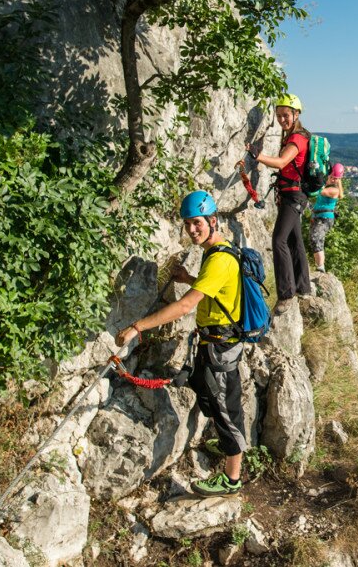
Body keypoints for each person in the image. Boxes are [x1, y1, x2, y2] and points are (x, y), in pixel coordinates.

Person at [115, 191, 247, 497]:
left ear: (213, 221)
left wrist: (138, 326)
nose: (192, 230)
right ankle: (230, 445)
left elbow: (186, 307)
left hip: (221, 347)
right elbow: (214, 289)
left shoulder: (218, 260)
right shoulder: (218, 252)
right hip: (213, 342)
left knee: (227, 409)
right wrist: (188, 277)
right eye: (188, 224)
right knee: (207, 394)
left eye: (197, 223)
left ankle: (231, 478)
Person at [247, 93, 311, 315]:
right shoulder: (294, 136)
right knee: (294, 240)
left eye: (286, 115)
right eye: (279, 116)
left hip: (294, 196)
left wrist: (258, 156)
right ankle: (303, 287)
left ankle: (286, 294)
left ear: (296, 114)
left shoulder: (296, 139)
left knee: (279, 240)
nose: (282, 119)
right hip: (291, 194)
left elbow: (282, 162)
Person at [310, 163, 344, 273]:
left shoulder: (334, 190)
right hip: (318, 216)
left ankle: (320, 267)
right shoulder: (328, 185)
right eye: (332, 177)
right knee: (313, 239)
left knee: (317, 238)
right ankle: (319, 265)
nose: (333, 179)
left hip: (325, 218)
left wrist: (319, 177)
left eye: (336, 178)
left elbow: (320, 191)